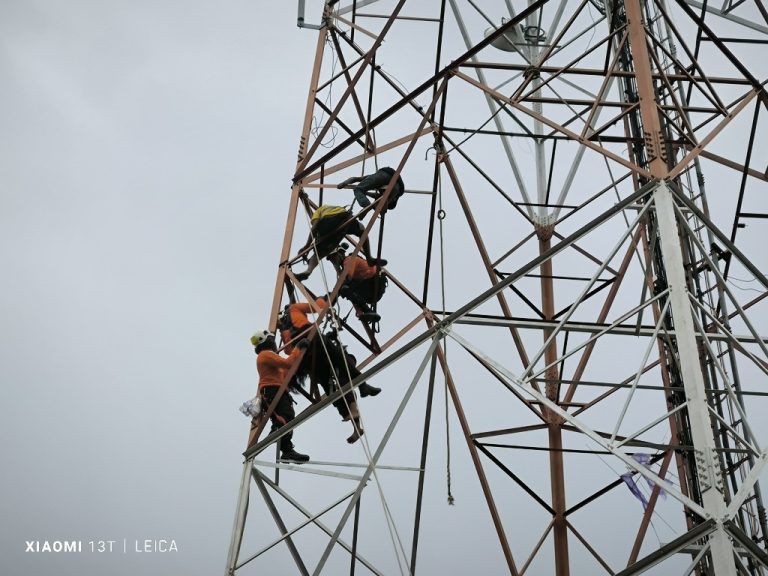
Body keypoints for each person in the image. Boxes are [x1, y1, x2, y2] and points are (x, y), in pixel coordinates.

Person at [278, 300, 381, 443]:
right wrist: (325, 300)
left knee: (327, 382)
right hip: (312, 337)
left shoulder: (284, 330)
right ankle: (362, 386)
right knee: (340, 361)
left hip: (304, 353)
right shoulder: (294, 308)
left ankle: (350, 415)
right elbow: (315, 306)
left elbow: (288, 350)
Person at [250, 329, 310, 462]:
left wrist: (299, 354)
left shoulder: (268, 356)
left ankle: (287, 449)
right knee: (285, 416)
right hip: (272, 390)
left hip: (277, 390)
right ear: (268, 341)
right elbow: (288, 363)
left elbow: (287, 369)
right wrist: (299, 348)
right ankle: (277, 430)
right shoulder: (265, 355)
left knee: (288, 416)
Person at [294, 205, 386, 281]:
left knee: (318, 253)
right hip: (344, 220)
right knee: (362, 231)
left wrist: (306, 246)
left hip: (330, 222)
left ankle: (309, 270)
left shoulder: (319, 212)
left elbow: (315, 226)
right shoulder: (334, 208)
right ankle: (369, 258)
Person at [327, 247, 387, 324]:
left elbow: (346, 279)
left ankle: (368, 311)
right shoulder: (347, 265)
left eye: (334, 257)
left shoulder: (348, 260)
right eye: (332, 260)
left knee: (345, 288)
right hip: (372, 290)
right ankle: (366, 312)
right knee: (347, 288)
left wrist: (332, 298)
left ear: (341, 254)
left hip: (374, 284)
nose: (334, 261)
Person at [338, 166, 405, 210]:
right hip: (395, 185)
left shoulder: (374, 177)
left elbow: (354, 179)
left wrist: (343, 183)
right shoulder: (396, 193)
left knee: (358, 189)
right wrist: (366, 193)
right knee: (380, 201)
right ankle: (371, 206)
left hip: (384, 176)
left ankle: (366, 204)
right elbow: (375, 196)